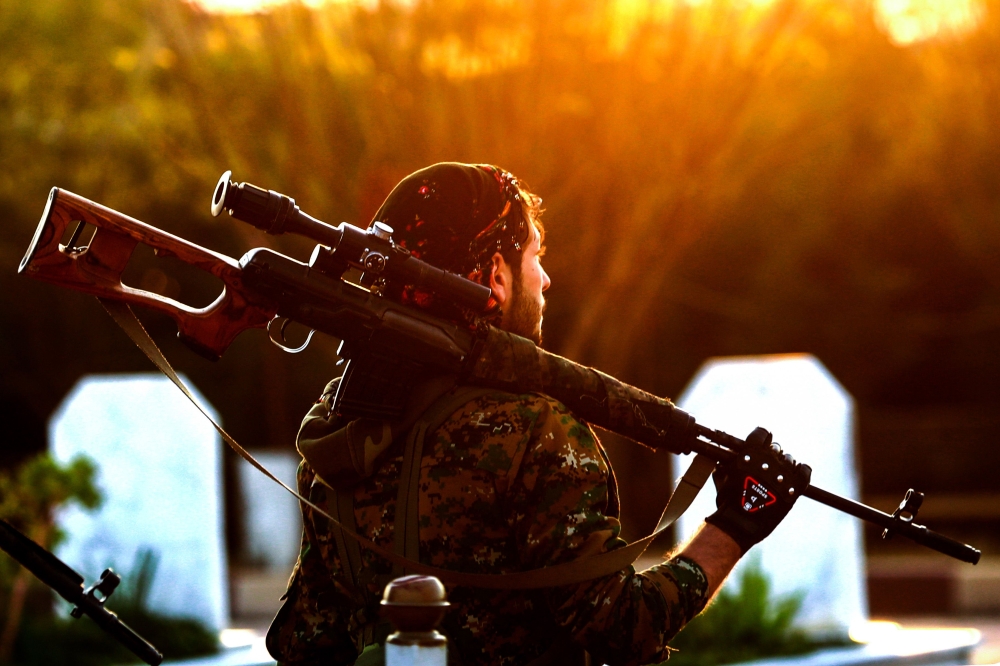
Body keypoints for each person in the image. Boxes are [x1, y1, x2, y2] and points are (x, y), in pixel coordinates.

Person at [266, 162, 810, 666]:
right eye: (534, 256)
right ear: (496, 274)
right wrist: (732, 529)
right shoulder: (535, 430)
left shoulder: (339, 422)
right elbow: (619, 628)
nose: (545, 279)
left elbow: (303, 637)